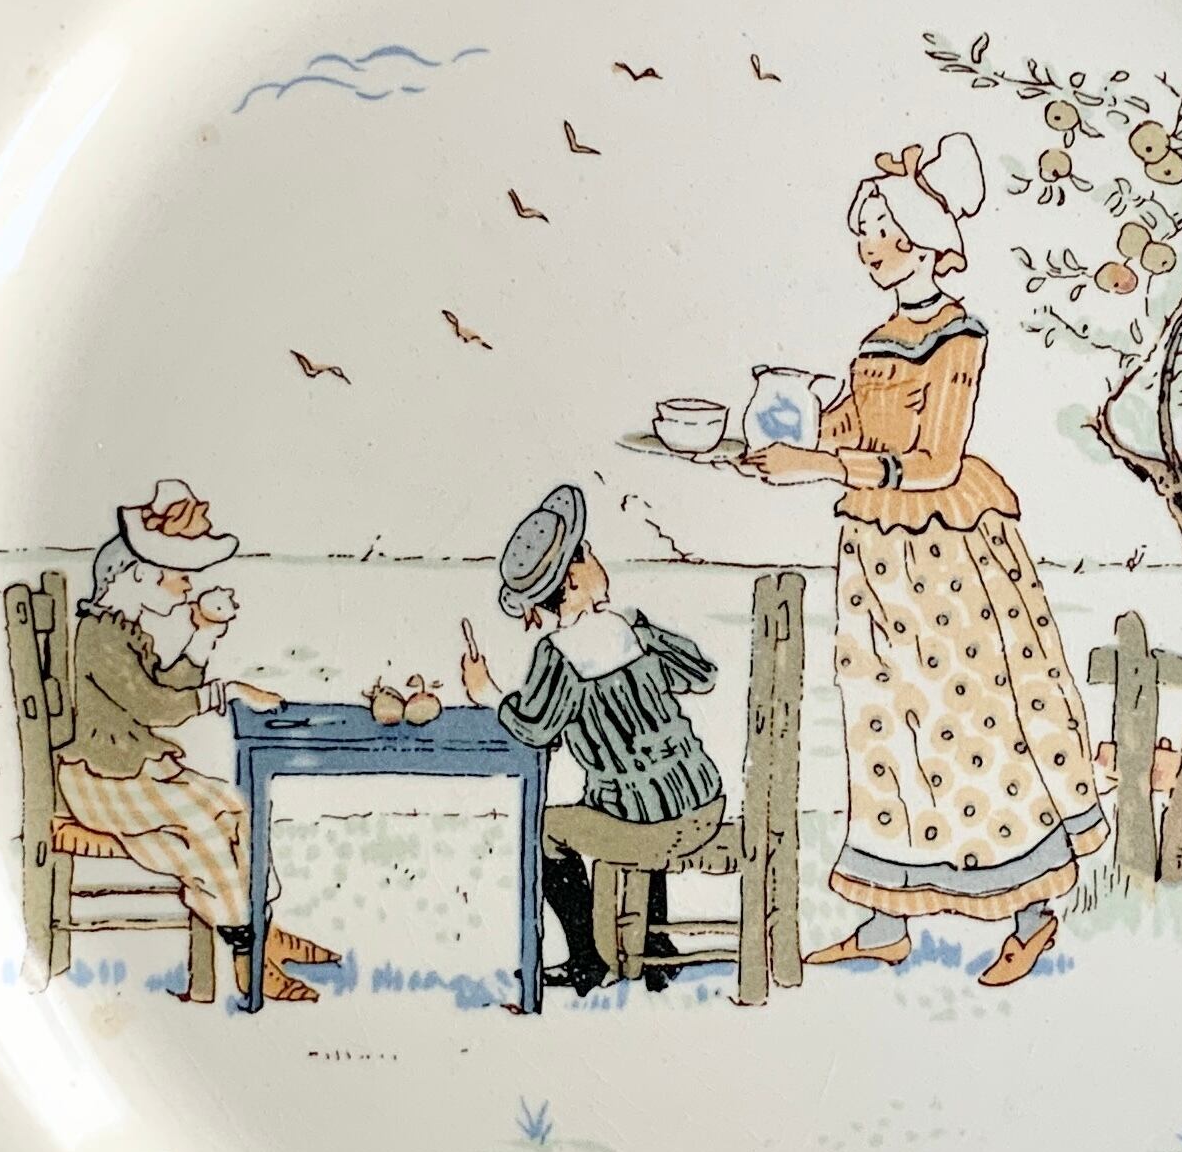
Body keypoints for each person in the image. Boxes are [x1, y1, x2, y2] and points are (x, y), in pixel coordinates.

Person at [740, 134, 1104, 985]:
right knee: (884, 728)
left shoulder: (956, 338)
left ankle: (1030, 914)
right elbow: (847, 426)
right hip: (875, 556)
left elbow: (935, 461)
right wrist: (773, 430)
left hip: (944, 559)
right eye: (867, 233)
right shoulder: (878, 337)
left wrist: (815, 464)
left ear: (932, 242)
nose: (872, 247)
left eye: (887, 232)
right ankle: (885, 918)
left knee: (973, 729)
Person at [53, 479, 338, 1006]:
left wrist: (203, 632)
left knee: (235, 808)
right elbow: (155, 706)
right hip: (101, 780)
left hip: (132, 773)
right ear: (138, 576)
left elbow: (170, 687)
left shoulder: (126, 632)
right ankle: (248, 956)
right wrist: (230, 690)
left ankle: (264, 929)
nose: (185, 588)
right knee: (203, 834)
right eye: (177, 576)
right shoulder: (100, 637)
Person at [458, 485, 724, 995]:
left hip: (647, 826)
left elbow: (535, 727)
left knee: (547, 832)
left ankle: (589, 958)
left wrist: (487, 692)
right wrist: (640, 629)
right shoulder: (632, 630)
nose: (598, 557)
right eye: (589, 551)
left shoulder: (559, 654)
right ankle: (655, 949)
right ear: (574, 576)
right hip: (704, 801)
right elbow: (703, 673)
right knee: (635, 800)